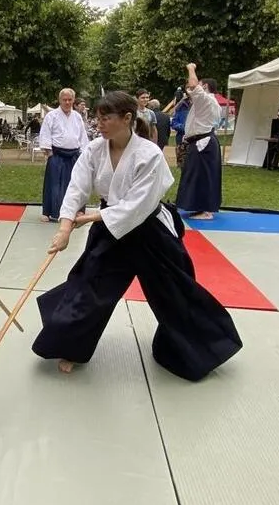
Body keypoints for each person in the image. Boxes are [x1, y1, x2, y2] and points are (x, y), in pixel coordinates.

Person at [31, 91, 242, 381]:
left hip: (150, 232)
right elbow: (76, 188)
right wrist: (65, 228)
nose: (99, 124)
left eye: (105, 118)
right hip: (110, 230)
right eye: (98, 118)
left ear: (126, 118)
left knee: (174, 292)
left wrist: (91, 218)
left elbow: (138, 204)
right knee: (89, 287)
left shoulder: (149, 154)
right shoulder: (94, 150)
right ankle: (70, 345)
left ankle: (202, 349)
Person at [175, 64, 221, 220]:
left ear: (205, 86)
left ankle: (205, 210)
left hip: (203, 143)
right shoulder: (209, 102)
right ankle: (200, 207)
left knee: (202, 176)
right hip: (202, 141)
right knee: (199, 175)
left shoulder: (205, 100)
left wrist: (191, 68)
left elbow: (194, 86)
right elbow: (192, 88)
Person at [38, 88, 89, 221]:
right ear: (59, 100)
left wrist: (84, 153)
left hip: (74, 155)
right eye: (64, 100)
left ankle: (76, 211)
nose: (67, 102)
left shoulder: (77, 116)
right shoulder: (52, 116)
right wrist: (49, 152)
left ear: (73, 100)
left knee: (76, 185)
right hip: (56, 154)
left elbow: (82, 136)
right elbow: (45, 134)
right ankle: (48, 212)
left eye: (69, 100)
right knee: (54, 184)